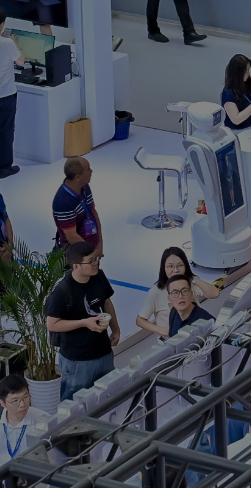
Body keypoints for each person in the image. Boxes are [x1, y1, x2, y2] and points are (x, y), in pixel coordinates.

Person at [44, 239, 119, 400]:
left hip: (104, 352)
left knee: (109, 398)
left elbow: (106, 302)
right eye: (91, 261)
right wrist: (84, 323)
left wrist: (116, 329)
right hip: (77, 360)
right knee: (75, 404)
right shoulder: (62, 291)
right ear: (76, 266)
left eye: (96, 258)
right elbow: (52, 324)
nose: (95, 263)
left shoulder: (99, 276)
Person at [135, 246, 220, 337]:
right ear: (164, 268)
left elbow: (214, 294)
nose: (176, 270)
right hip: (171, 340)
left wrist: (193, 277)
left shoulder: (190, 283)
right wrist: (161, 330)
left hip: (196, 336)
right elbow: (140, 320)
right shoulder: (156, 292)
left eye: (180, 265)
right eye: (170, 266)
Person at [0, 373, 48, 475]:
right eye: (15, 401)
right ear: (3, 403)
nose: (22, 404)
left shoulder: (42, 420)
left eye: (25, 397)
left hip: (28, 477)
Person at [52, 156, 102, 251]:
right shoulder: (63, 203)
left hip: (92, 248)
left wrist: (99, 244)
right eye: (88, 169)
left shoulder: (85, 187)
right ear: (77, 177)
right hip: (78, 253)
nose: (91, 171)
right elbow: (72, 236)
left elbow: (93, 212)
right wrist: (92, 253)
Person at [158, 271, 214, 336]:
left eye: (184, 291)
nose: (180, 296)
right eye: (175, 293)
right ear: (169, 298)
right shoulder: (173, 312)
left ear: (191, 294)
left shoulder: (207, 321)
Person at [222, 53, 251, 131]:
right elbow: (236, 119)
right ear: (238, 72)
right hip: (238, 132)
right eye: (246, 71)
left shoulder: (244, 84)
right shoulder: (228, 94)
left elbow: (249, 102)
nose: (248, 73)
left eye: (248, 70)